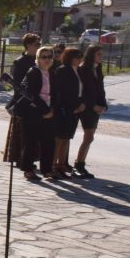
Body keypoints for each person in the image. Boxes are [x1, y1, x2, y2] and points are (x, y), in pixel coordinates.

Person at [16, 46, 56, 181]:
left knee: (48, 142)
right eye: (43, 57)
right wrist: (44, 110)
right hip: (33, 111)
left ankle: (47, 170)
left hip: (48, 112)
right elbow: (31, 94)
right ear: (38, 59)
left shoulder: (51, 73)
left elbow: (53, 94)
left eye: (49, 57)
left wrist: (51, 110)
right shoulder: (34, 72)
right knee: (30, 142)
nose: (47, 60)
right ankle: (28, 169)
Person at [3, 33, 40, 170]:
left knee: (32, 135)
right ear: (28, 45)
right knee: (21, 135)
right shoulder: (20, 62)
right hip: (22, 102)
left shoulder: (37, 61)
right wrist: (24, 100)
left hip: (35, 102)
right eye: (36, 44)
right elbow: (17, 85)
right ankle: (20, 159)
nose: (38, 46)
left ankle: (28, 159)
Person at [49, 46, 85, 180]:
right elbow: (62, 92)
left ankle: (61, 165)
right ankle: (52, 166)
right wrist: (72, 107)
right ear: (70, 58)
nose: (80, 59)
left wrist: (81, 104)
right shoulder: (62, 70)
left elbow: (81, 90)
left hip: (76, 110)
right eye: (77, 57)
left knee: (66, 139)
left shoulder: (79, 70)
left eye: (81, 57)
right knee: (58, 139)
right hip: (64, 109)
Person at [74, 45, 107, 178]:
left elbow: (100, 89)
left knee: (90, 137)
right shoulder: (83, 69)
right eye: (99, 54)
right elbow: (83, 91)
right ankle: (78, 165)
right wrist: (92, 105)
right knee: (89, 137)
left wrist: (103, 105)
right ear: (91, 54)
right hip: (86, 107)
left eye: (101, 54)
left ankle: (81, 164)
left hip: (96, 108)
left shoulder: (98, 69)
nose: (101, 57)